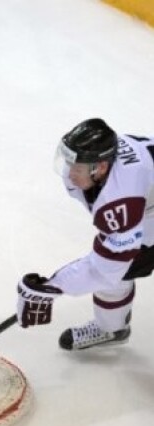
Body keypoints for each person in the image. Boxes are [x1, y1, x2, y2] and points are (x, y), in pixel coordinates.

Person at [16, 118, 154, 350]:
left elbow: (105, 270)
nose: (70, 173)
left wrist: (53, 287)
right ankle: (112, 328)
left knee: (115, 268)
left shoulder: (121, 198)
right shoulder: (103, 164)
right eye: (69, 163)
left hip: (144, 208)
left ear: (100, 167)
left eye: (77, 168)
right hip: (148, 207)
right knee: (122, 266)